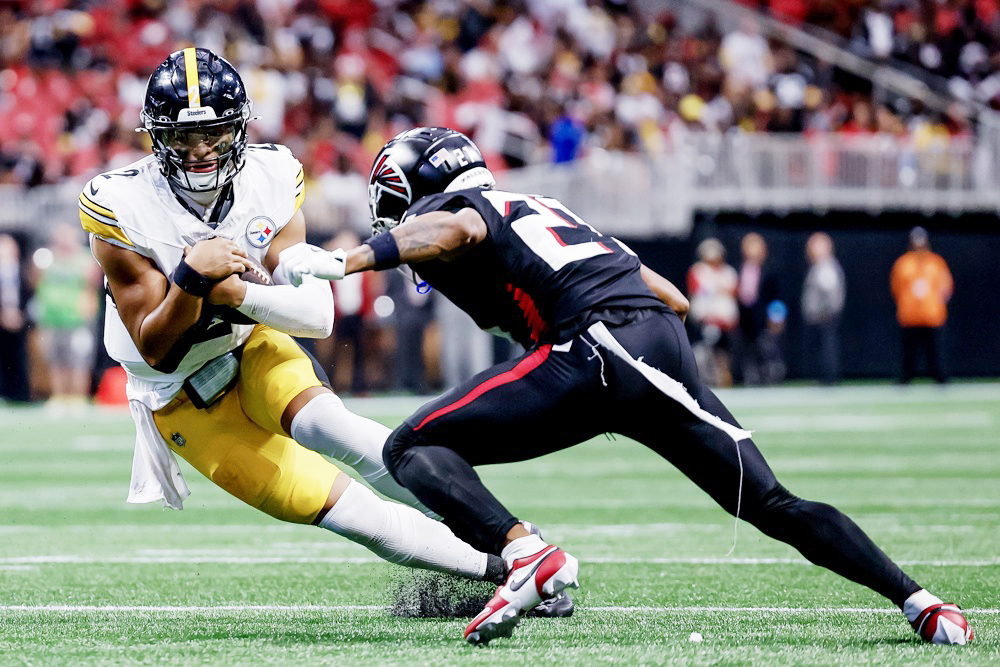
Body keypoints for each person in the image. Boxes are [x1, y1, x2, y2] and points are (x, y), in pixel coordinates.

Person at [284, 127, 973, 646]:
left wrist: (346, 259)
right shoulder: (544, 206)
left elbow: (455, 225)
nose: (399, 229)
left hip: (597, 346)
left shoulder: (465, 211)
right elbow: (668, 294)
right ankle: (923, 604)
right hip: (642, 346)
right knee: (770, 501)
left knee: (411, 445)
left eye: (398, 214)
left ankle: (527, 552)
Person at [79, 49, 518, 591]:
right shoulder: (119, 202)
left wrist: (231, 290)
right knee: (341, 507)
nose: (199, 152)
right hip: (177, 393)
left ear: (239, 127)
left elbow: (316, 316)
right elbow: (156, 348)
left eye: (214, 133)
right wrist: (192, 280)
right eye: (181, 139)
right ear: (154, 138)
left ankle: (516, 540)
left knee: (337, 429)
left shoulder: (271, 173)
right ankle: (503, 574)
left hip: (252, 346)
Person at [31, 224, 101, 412]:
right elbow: (34, 281)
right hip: (52, 317)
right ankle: (59, 397)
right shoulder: (47, 258)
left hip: (77, 317)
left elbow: (93, 283)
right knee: (55, 359)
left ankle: (78, 397)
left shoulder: (84, 258)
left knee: (78, 360)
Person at [890, 227, 952, 384]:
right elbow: (896, 287)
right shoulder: (903, 263)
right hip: (910, 315)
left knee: (935, 351)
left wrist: (937, 301)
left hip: (932, 315)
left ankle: (939, 376)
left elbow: (946, 286)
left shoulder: (936, 262)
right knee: (909, 351)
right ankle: (906, 376)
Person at [685, 238, 738, 387]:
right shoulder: (698, 271)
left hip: (725, 320)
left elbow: (733, 291)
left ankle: (724, 376)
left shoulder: (728, 272)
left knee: (724, 351)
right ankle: (704, 378)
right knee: (704, 350)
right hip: (704, 318)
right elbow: (699, 291)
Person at [801, 232, 845, 385]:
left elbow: (831, 293)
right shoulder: (820, 266)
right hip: (822, 315)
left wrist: (826, 312)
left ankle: (829, 378)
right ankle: (825, 377)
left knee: (828, 347)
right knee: (823, 348)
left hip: (826, 316)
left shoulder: (826, 266)